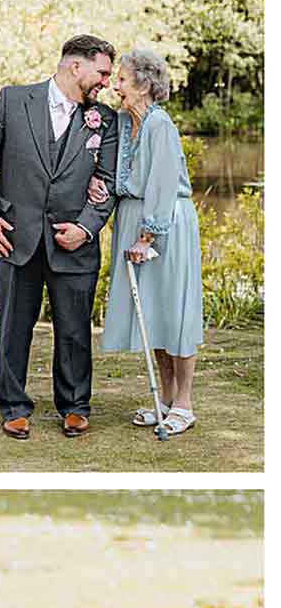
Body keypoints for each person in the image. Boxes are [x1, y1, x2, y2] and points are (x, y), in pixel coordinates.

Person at [0, 35, 121, 442]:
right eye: (102, 72)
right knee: (14, 326)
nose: (106, 81)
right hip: (15, 238)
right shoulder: (12, 101)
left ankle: (75, 405)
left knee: (74, 330)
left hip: (75, 242)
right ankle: (14, 406)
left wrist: (86, 227)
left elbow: (107, 182)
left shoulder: (104, 121)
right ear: (76, 67)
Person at [99, 47, 205, 436]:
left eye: (122, 80)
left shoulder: (161, 126)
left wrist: (147, 236)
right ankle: (164, 398)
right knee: (153, 315)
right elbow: (121, 177)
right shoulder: (126, 125)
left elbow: (162, 184)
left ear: (144, 85)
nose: (116, 87)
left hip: (164, 226)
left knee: (175, 311)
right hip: (134, 221)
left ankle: (184, 404)